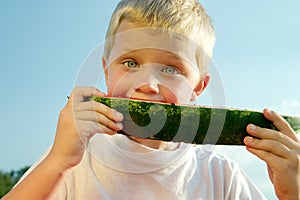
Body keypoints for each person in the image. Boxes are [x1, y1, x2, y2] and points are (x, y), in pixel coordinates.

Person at [3, 0, 300, 199]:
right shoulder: (76, 159)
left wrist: (292, 193)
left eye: (171, 68)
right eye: (130, 63)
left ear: (198, 87)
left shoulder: (221, 175)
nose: (148, 84)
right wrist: (58, 160)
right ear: (107, 73)